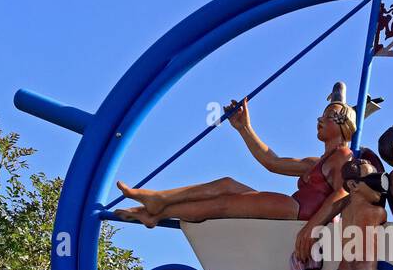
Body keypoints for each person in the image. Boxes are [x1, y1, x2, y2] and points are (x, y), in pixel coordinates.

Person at [116, 85, 356, 228]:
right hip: (294, 207)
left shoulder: (344, 155)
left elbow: (342, 194)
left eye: (330, 115)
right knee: (227, 184)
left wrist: (312, 228)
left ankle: (160, 211)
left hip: (298, 211)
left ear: (345, 125)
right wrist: (244, 128)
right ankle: (158, 200)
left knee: (225, 205)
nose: (320, 119)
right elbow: (271, 162)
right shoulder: (316, 163)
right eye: (322, 115)